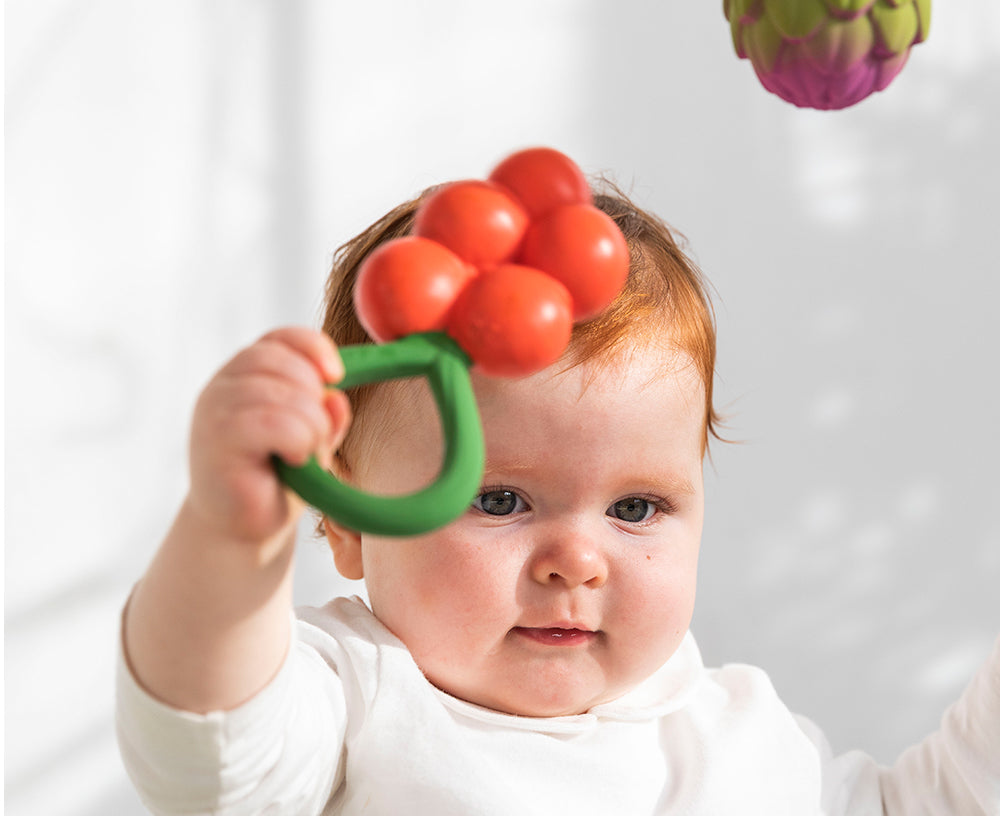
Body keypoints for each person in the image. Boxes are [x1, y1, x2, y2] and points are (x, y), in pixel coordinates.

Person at [116, 183, 999, 815]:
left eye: (637, 508)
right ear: (345, 518)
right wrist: (230, 538)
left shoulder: (739, 730)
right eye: (499, 500)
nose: (576, 560)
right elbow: (213, 761)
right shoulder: (354, 699)